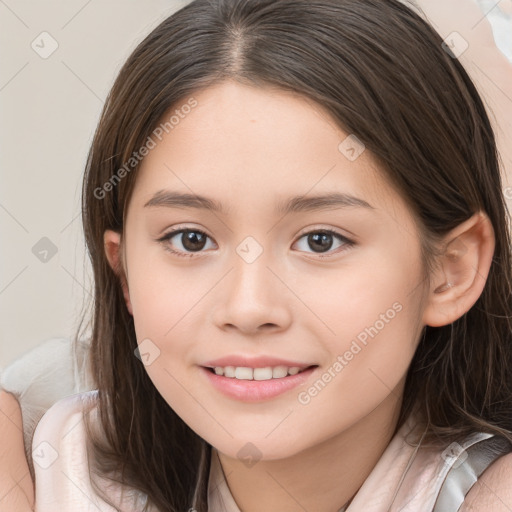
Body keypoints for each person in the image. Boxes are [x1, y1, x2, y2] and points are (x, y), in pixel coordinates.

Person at [2, 0, 512, 510]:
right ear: (125, 271)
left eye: (321, 240)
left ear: (451, 271)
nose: (248, 308)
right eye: (191, 239)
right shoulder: (48, 460)